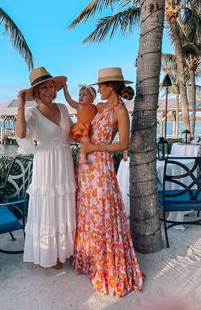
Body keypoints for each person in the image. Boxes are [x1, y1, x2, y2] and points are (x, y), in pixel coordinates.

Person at [73, 67, 143, 297]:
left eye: (100, 86)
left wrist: (96, 147)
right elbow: (82, 117)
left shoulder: (121, 112)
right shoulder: (99, 107)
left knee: (104, 215)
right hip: (86, 169)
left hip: (101, 167)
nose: (98, 89)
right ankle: (91, 263)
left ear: (110, 86)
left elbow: (124, 144)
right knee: (88, 214)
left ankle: (108, 269)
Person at [16, 66, 76, 269]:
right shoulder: (32, 113)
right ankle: (51, 254)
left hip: (65, 160)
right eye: (44, 88)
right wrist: (21, 106)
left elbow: (71, 134)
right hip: (46, 164)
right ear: (36, 93)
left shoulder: (63, 108)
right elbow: (22, 134)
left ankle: (66, 248)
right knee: (49, 206)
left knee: (64, 202)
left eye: (51, 86)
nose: (49, 90)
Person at [63, 83, 97, 164]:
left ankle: (87, 156)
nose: (81, 97)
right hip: (82, 129)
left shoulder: (94, 107)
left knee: (89, 143)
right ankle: (82, 158)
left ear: (92, 98)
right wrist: (65, 90)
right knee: (85, 141)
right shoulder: (79, 106)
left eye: (84, 95)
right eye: (79, 95)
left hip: (90, 129)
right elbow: (69, 100)